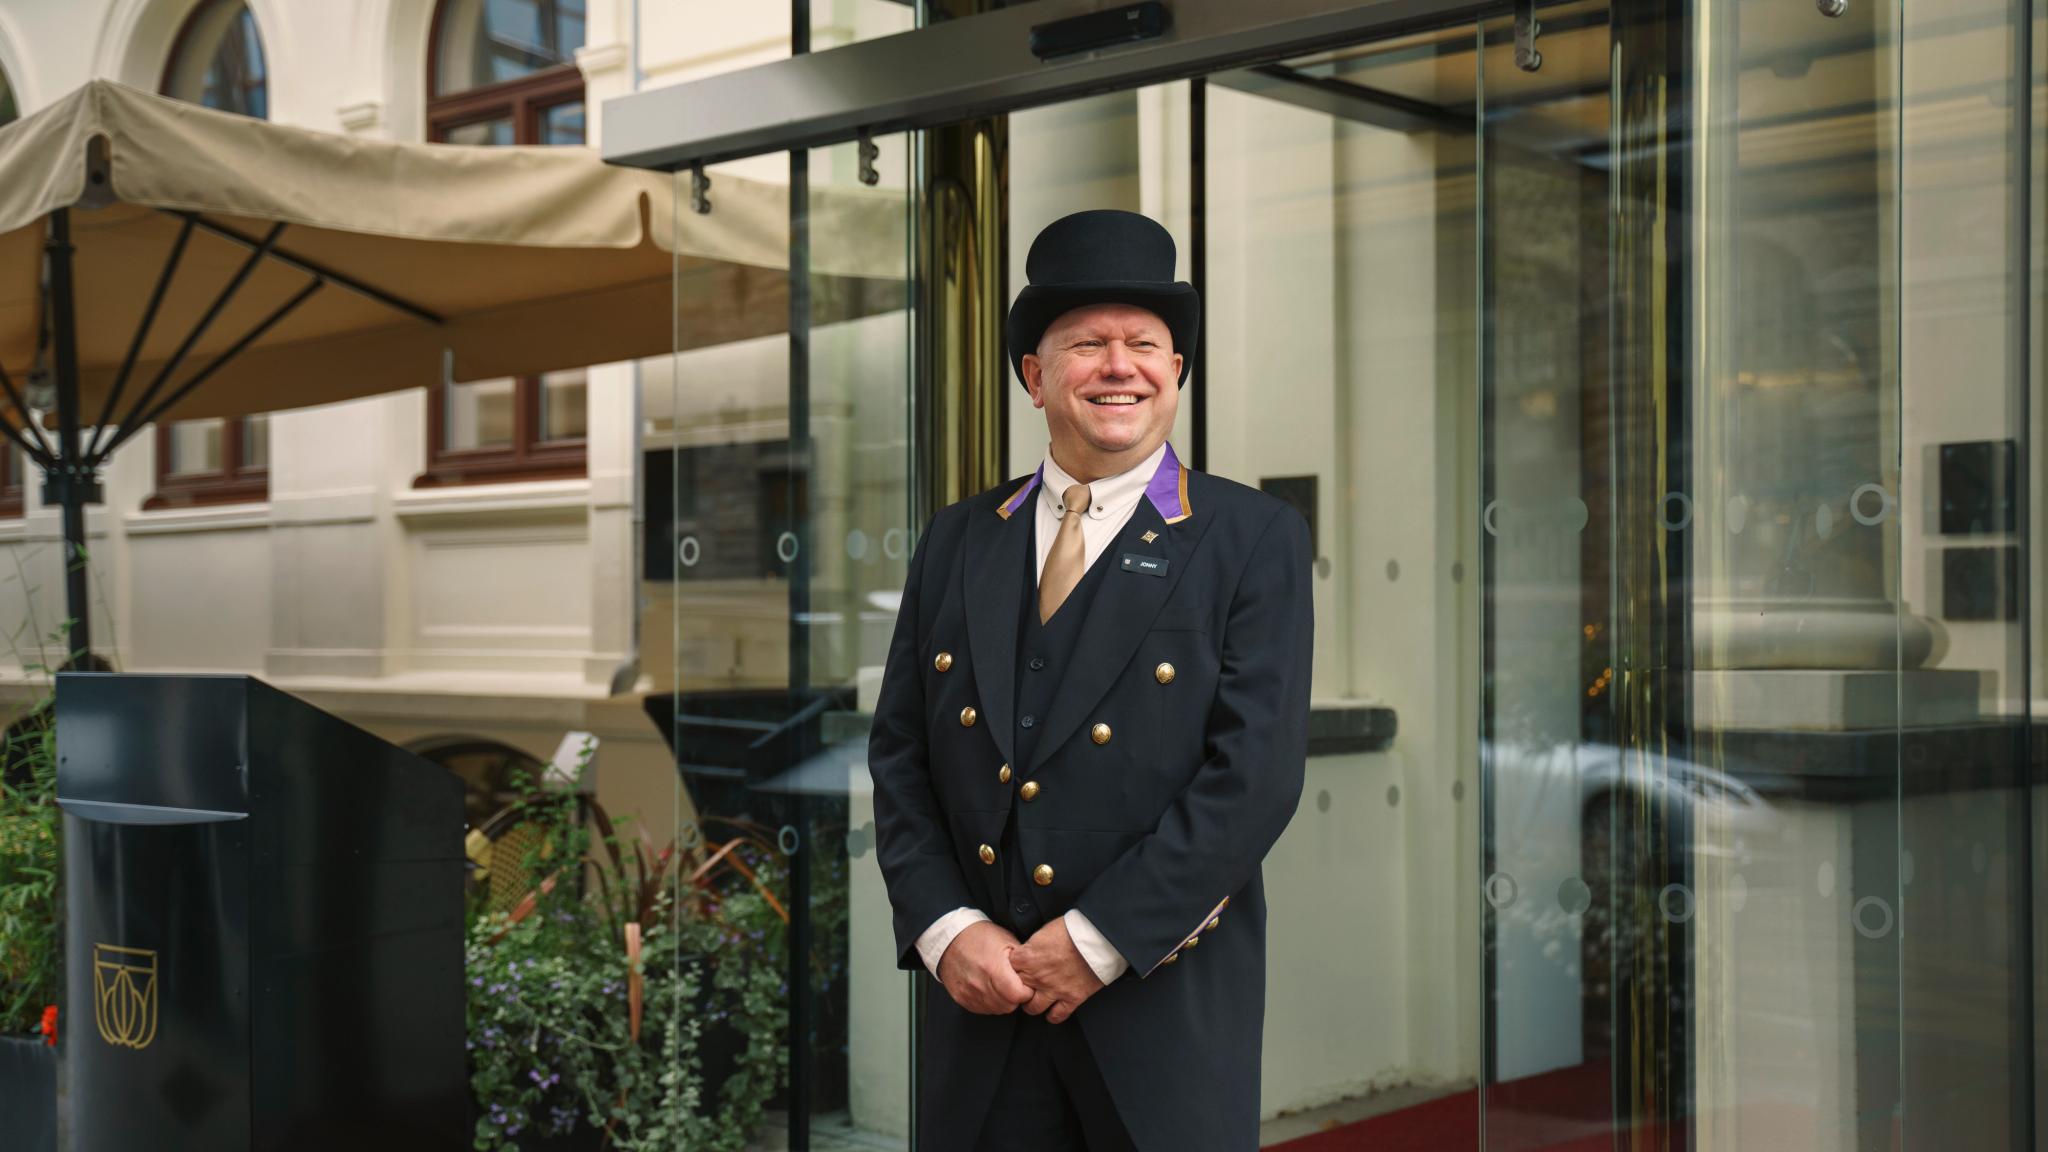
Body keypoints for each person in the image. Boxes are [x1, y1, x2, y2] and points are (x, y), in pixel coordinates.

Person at [868, 208, 1314, 1150]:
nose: (1122, 367)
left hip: (1158, 1014)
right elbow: (900, 756)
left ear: (1178, 373)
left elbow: (1254, 779)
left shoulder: (1249, 538)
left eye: (1146, 345)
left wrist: (1097, 940)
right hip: (983, 1012)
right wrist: (947, 929)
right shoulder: (957, 538)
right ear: (1035, 376)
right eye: (1088, 345)